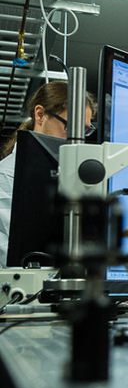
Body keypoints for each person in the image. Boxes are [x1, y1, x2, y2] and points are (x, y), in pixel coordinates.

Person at [0, 80, 95, 268]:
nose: (77, 140)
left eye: (84, 131)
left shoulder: (74, 178)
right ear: (40, 115)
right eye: (70, 127)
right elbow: (15, 257)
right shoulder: (8, 175)